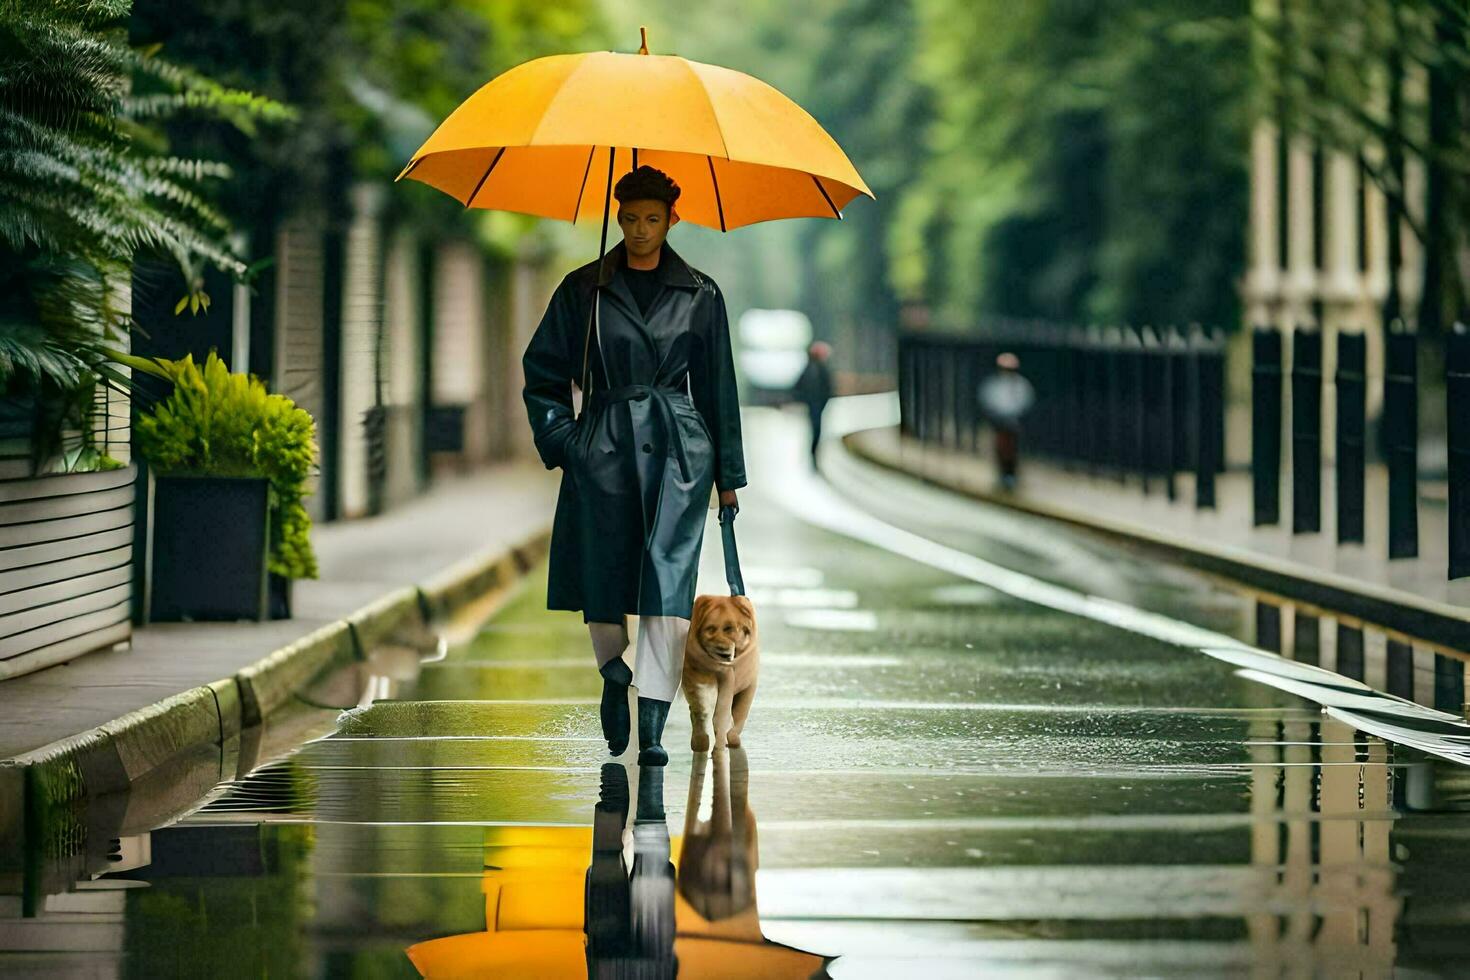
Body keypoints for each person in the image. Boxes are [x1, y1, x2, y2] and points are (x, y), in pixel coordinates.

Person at [522, 165, 746, 767]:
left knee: (667, 588)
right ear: (616, 218)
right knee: (603, 578)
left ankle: (652, 722)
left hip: (679, 456)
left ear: (673, 219)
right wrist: (567, 442)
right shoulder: (582, 289)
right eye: (629, 219)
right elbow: (542, 374)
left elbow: (719, 386)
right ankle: (611, 671)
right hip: (603, 449)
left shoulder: (702, 292)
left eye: (652, 219)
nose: (640, 230)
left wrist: (728, 477)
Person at [976, 351, 1035, 491]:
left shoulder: (1020, 385)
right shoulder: (994, 385)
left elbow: (1025, 402)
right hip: (999, 423)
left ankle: (1011, 475)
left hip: (1014, 424)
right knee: (1000, 448)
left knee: (1013, 449)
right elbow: (988, 400)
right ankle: (1002, 475)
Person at [790, 341, 833, 469]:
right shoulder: (817, 369)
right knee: (816, 431)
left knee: (816, 431)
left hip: (815, 405)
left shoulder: (811, 368)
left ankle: (813, 454)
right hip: (815, 405)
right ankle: (813, 455)